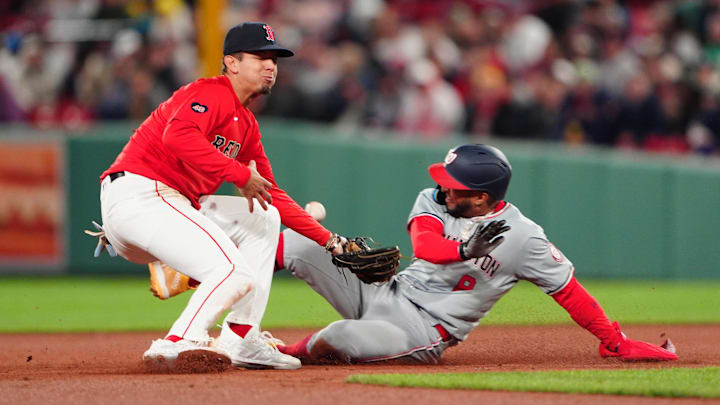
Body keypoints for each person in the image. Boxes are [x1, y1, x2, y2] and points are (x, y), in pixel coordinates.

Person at [272, 144, 678, 364]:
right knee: (298, 241)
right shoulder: (434, 200)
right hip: (383, 291)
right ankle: (220, 288)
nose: (444, 188)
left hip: (422, 331)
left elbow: (569, 291)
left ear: (481, 196)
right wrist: (465, 248)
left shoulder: (523, 238)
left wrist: (614, 341)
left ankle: (287, 353)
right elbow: (425, 246)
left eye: (454, 185)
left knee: (340, 336)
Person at [94, 22, 349, 371]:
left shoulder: (246, 124)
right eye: (260, 57)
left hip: (168, 209)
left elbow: (270, 195)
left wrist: (332, 242)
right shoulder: (210, 93)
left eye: (274, 58)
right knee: (233, 271)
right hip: (142, 194)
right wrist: (241, 174)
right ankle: (177, 341)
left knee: (264, 216)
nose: (270, 65)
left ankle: (241, 337)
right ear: (231, 63)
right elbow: (177, 137)